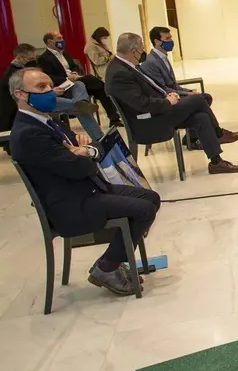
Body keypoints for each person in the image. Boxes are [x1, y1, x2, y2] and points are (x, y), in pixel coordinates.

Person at [8, 67, 160, 297]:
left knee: (150, 197)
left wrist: (85, 151)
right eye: (41, 87)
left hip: (86, 190)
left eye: (50, 85)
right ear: (20, 94)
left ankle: (116, 256)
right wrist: (86, 154)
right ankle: (107, 267)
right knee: (143, 210)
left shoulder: (46, 121)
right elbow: (80, 168)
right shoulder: (30, 133)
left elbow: (89, 147)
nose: (50, 91)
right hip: (71, 204)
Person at [105, 33, 238, 175]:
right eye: (141, 49)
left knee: (201, 117)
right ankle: (218, 133)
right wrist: (167, 101)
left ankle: (216, 162)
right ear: (133, 51)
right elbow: (142, 104)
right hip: (148, 122)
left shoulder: (126, 66)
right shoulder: (119, 73)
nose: (143, 52)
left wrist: (168, 95)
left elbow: (151, 89)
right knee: (198, 99)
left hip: (157, 112)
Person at [2, 44, 101, 142]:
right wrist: (51, 92)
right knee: (80, 108)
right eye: (31, 59)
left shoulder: (26, 69)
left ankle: (80, 103)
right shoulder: (13, 75)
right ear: (20, 58)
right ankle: (98, 137)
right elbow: (28, 95)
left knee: (78, 86)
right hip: (28, 105)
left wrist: (51, 89)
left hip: (45, 95)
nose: (34, 61)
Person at [38, 31, 123, 127]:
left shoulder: (64, 53)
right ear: (50, 42)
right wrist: (67, 78)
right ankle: (79, 106)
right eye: (59, 38)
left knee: (99, 88)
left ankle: (114, 119)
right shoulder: (44, 58)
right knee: (94, 81)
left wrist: (74, 74)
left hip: (77, 80)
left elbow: (74, 66)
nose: (62, 40)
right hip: (63, 85)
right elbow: (49, 76)